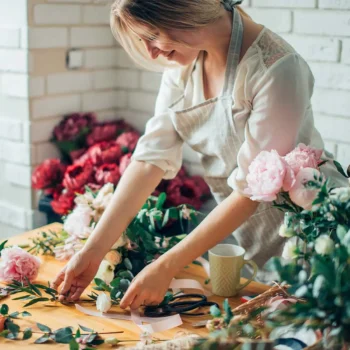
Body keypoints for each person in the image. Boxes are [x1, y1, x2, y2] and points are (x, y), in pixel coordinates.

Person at [52, 0, 348, 309]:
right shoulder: (182, 68)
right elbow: (150, 159)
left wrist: (167, 266)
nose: (152, 52)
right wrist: (93, 250)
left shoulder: (278, 68)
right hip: (255, 238)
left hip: (317, 234)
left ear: (182, 10)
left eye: (153, 36)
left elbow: (250, 191)